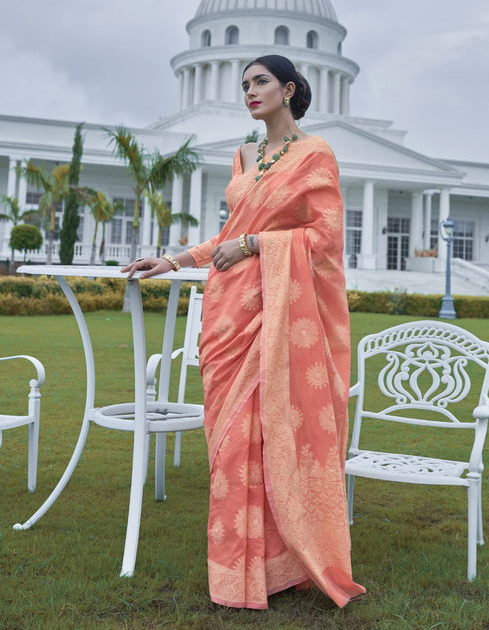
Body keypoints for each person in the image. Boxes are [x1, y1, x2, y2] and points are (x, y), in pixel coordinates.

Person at [122, 54, 366, 609]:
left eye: (261, 82)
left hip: (279, 315)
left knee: (269, 434)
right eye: (245, 84)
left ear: (289, 88)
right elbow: (230, 235)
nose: (250, 91)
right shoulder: (243, 154)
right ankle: (239, 566)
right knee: (229, 440)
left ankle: (277, 566)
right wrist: (174, 259)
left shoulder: (315, 154)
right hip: (229, 312)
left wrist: (258, 245)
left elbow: (323, 240)